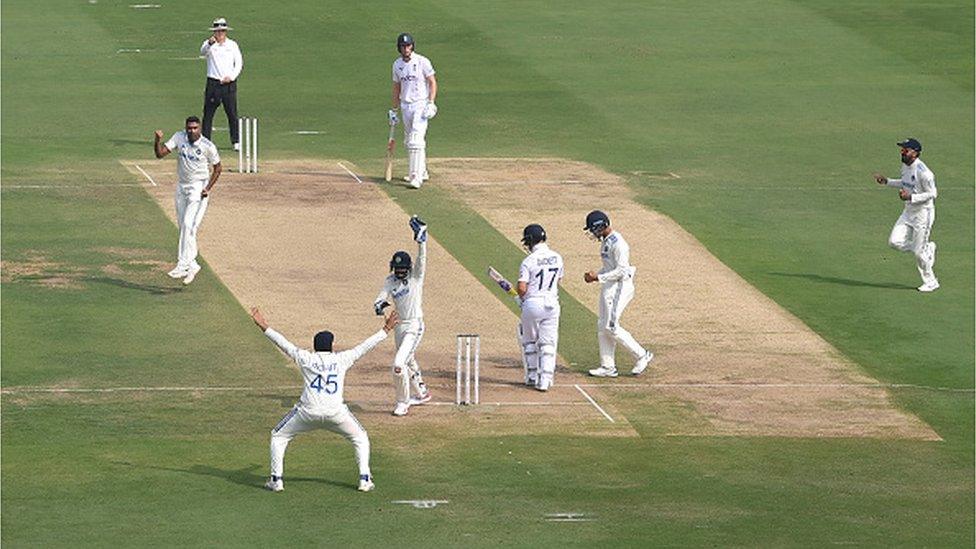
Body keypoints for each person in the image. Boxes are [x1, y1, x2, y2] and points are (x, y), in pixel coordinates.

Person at [250, 306, 399, 493]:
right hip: (336, 413)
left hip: (307, 413)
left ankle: (276, 481)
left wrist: (263, 326)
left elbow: (284, 344)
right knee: (360, 437)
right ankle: (364, 480)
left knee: (278, 436)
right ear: (331, 346)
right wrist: (386, 330)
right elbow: (364, 347)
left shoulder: (305, 358)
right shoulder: (342, 359)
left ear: (315, 346)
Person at [583, 210, 654, 377]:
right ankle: (607, 366)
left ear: (601, 226)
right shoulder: (606, 241)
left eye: (593, 229)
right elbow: (610, 267)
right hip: (610, 286)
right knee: (603, 325)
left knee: (611, 326)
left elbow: (622, 271)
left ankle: (642, 355)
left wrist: (598, 277)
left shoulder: (619, 244)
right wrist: (596, 276)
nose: (592, 233)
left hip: (621, 286)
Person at [373, 216, 432, 416]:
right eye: (396, 269)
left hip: (414, 325)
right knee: (409, 359)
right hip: (398, 326)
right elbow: (381, 296)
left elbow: (421, 260)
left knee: (399, 363)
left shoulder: (416, 276)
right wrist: (379, 305)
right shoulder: (390, 280)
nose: (399, 273)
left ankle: (403, 402)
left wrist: (421, 241)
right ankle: (422, 392)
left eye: (402, 270)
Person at [153, 116, 221, 285]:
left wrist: (207, 188)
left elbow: (218, 168)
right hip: (182, 187)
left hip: (198, 188)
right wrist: (157, 140)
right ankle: (193, 264)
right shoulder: (179, 137)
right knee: (184, 226)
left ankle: (182, 264)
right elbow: (160, 154)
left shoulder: (207, 146)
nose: (192, 131)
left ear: (200, 129)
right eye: (189, 128)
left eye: (195, 128)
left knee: (189, 224)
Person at [873, 138, 939, 292]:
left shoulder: (925, 173)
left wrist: (911, 197)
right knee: (894, 242)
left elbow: (933, 194)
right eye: (902, 150)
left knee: (917, 253)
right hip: (908, 212)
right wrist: (887, 181)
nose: (902, 153)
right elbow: (905, 182)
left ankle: (931, 281)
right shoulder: (905, 166)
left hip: (923, 214)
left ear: (915, 153)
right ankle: (925, 249)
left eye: (905, 150)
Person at [516, 224, 564, 391]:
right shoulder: (557, 257)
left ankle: (531, 376)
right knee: (548, 343)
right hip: (552, 304)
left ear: (530, 241)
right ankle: (545, 380)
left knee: (530, 340)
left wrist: (521, 298)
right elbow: (558, 281)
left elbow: (522, 288)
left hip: (533, 304)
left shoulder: (528, 261)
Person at [389, 32, 437, 189]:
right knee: (409, 140)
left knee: (415, 139)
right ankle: (421, 171)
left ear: (412, 46)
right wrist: (394, 110)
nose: (406, 49)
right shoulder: (397, 65)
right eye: (403, 46)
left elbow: (432, 82)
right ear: (399, 48)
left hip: (420, 104)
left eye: (408, 46)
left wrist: (430, 102)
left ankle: (416, 177)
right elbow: (397, 88)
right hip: (405, 105)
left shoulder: (422, 61)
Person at [200, 18, 243, 150]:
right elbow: (202, 52)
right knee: (208, 114)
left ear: (225, 32)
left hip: (228, 84)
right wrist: (209, 43)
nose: (220, 34)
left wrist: (231, 77)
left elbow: (239, 63)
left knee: (232, 113)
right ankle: (205, 141)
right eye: (217, 31)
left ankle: (235, 141)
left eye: (222, 31)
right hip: (213, 83)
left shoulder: (232, 45)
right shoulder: (209, 45)